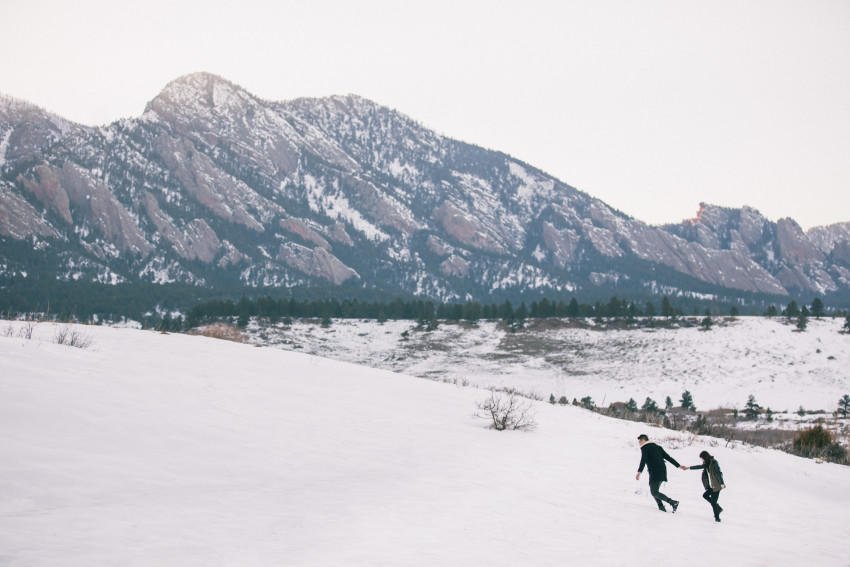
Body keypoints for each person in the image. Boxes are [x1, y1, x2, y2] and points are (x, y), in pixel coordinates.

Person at [636, 433, 684, 512]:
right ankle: (661, 507)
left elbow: (643, 460)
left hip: (655, 471)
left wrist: (639, 472)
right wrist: (679, 466)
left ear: (644, 440)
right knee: (654, 490)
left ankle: (672, 502)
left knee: (654, 492)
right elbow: (668, 458)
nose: (639, 443)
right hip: (662, 470)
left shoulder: (645, 447)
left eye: (640, 441)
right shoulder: (658, 447)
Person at [683, 450, 726, 522]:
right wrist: (688, 468)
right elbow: (699, 466)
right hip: (711, 486)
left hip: (717, 485)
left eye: (702, 458)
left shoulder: (714, 463)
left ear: (705, 457)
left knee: (713, 502)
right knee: (705, 495)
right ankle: (718, 508)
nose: (702, 460)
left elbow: (719, 473)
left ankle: (717, 518)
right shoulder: (706, 463)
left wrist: (722, 483)